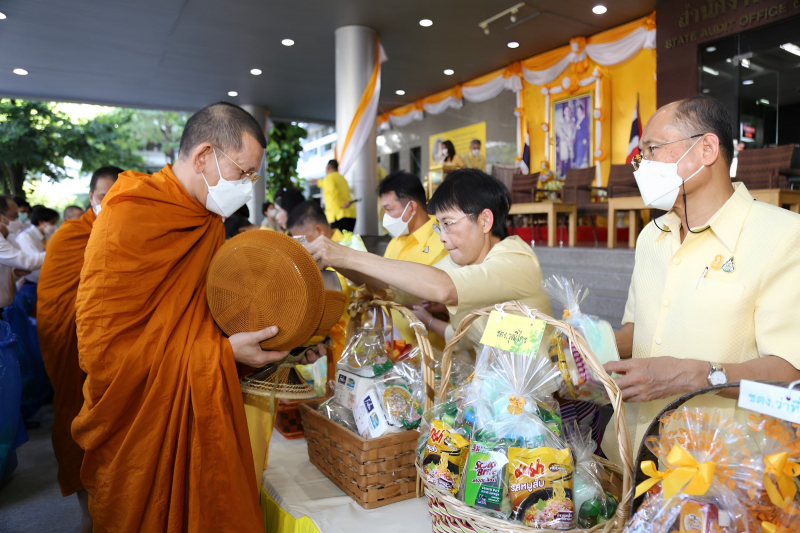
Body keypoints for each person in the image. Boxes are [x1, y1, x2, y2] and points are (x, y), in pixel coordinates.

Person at [72, 102, 292, 532]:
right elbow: (105, 351)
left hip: (192, 399)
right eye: (244, 172)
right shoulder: (128, 214)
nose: (248, 186)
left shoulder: (206, 220)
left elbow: (201, 314)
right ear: (204, 155)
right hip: (138, 417)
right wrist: (221, 354)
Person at [603, 95, 800, 464]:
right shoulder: (652, 237)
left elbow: (791, 378)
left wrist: (700, 377)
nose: (641, 164)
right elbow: (641, 329)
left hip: (718, 476)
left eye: (653, 149)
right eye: (640, 154)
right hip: (629, 452)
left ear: (707, 149)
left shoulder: (783, 237)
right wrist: (591, 345)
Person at [307, 168, 552, 354]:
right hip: (493, 395)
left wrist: (349, 255)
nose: (443, 238)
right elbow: (391, 288)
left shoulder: (516, 259)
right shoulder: (457, 263)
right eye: (439, 227)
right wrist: (339, 261)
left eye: (448, 224)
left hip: (535, 402)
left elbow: (444, 288)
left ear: (485, 221)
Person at [37, 166, 121, 533]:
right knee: (75, 419)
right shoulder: (68, 237)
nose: (110, 203)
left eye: (118, 197)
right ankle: (88, 513)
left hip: (115, 351)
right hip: (72, 348)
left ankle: (115, 506)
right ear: (91, 197)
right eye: (104, 197)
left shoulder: (128, 232)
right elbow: (55, 303)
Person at [378, 171, 448, 349]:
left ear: (412, 208)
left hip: (431, 353)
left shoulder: (444, 242)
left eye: (389, 209)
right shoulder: (395, 242)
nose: (385, 218)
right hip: (396, 349)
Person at [0, 197, 44, 308]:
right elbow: (28, 262)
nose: (19, 221)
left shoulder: (7, 236)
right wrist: (56, 250)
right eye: (14, 216)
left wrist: (15, 275)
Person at [17, 206, 59, 285]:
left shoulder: (48, 234)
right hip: (32, 280)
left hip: (47, 278)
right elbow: (34, 261)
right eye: (52, 223)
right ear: (41, 222)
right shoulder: (26, 237)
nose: (54, 226)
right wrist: (57, 253)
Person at [316, 160, 357, 232]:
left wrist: (341, 204)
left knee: (338, 242)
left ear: (327, 168)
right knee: (348, 241)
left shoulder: (328, 178)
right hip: (351, 214)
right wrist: (318, 181)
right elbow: (325, 185)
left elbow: (332, 194)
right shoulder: (342, 178)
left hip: (338, 216)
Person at [573, 102, 590, 168]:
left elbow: (587, 129)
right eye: (577, 111)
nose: (578, 112)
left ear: (582, 111)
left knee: (581, 155)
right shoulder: (576, 120)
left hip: (582, 140)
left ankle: (579, 168)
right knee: (577, 154)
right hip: (576, 140)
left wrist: (585, 138)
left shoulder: (585, 119)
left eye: (579, 110)